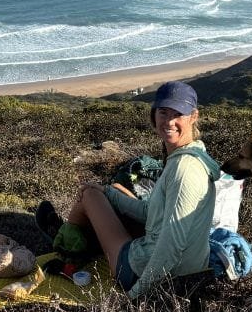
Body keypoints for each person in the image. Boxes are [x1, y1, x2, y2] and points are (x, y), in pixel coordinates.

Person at [37, 81, 220, 299]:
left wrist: (134, 295)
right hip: (183, 267)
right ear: (154, 115)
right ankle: (78, 235)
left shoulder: (183, 169)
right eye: (163, 112)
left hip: (143, 272)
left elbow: (171, 247)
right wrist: (109, 192)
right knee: (112, 189)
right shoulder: (193, 156)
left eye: (178, 114)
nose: (170, 121)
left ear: (194, 116)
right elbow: (149, 214)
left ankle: (65, 244)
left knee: (90, 195)